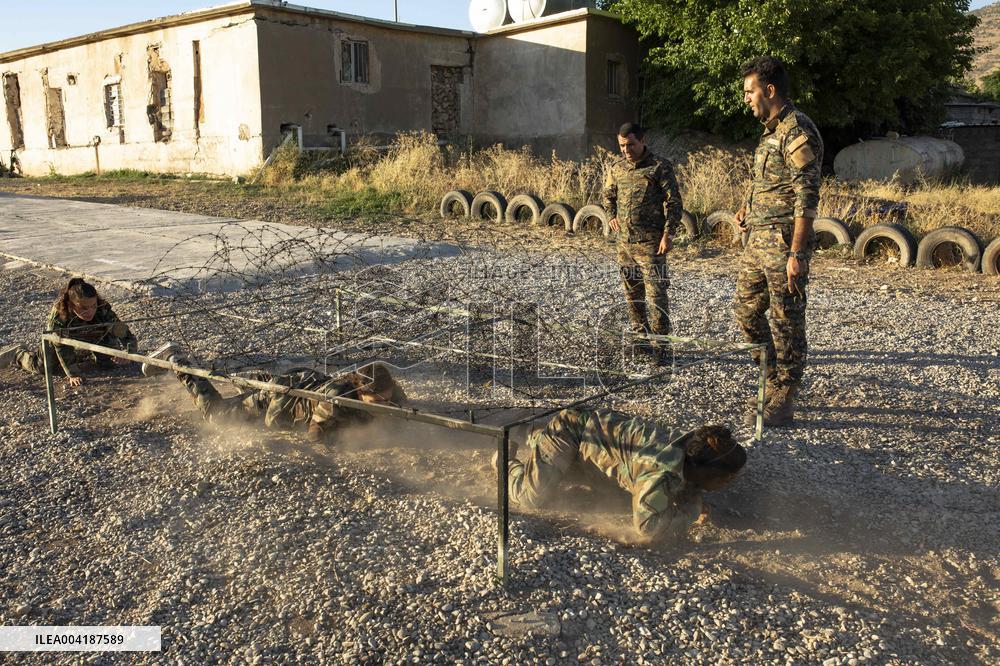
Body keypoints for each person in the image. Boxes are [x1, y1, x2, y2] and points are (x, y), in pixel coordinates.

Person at [495, 408, 746, 543]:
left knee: (612, 493)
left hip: (594, 448)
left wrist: (692, 493)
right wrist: (691, 510)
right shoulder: (658, 472)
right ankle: (505, 459)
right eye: (727, 478)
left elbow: (689, 482)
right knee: (531, 498)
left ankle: (539, 439)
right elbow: (648, 528)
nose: (730, 482)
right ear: (701, 469)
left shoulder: (692, 451)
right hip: (571, 433)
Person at [733, 55, 823, 426]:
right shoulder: (770, 132)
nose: (746, 99)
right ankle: (771, 381)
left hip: (784, 244)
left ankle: (785, 396)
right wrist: (744, 208)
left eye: (749, 91)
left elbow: (807, 197)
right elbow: (765, 183)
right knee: (745, 312)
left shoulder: (797, 131)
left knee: (787, 320)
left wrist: (797, 253)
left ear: (769, 91)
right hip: (758, 241)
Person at [142, 342, 406, 443]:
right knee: (217, 415)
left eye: (386, 397)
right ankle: (177, 361)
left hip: (296, 385)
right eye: (375, 402)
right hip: (277, 403)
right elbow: (315, 436)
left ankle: (252, 382)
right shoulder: (335, 401)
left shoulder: (389, 389)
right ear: (360, 393)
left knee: (262, 387)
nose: (384, 403)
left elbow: (403, 410)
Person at [601, 122, 684, 362]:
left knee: (656, 296)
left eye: (630, 145)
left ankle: (662, 347)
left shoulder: (660, 167)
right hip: (624, 244)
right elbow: (608, 196)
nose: (626, 150)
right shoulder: (616, 168)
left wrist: (669, 234)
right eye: (622, 146)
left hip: (651, 245)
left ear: (642, 141)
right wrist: (611, 216)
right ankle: (641, 341)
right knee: (632, 295)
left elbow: (674, 202)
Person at [0, 277, 137, 386]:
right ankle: (17, 353)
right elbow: (61, 346)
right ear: (71, 305)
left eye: (93, 306)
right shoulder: (60, 317)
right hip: (58, 341)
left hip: (94, 334)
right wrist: (72, 374)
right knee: (43, 368)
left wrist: (127, 353)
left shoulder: (102, 309)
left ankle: (82, 353)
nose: (90, 311)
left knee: (109, 363)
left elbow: (124, 332)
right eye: (84, 307)